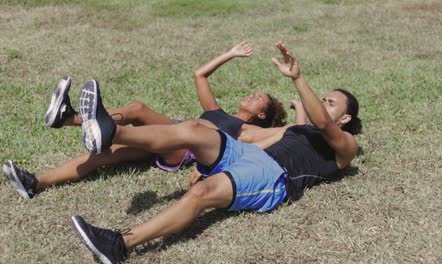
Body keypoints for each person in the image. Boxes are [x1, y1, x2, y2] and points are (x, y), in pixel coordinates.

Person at [69, 41, 362, 263]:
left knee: (201, 194)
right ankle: (112, 132)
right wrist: (212, 160)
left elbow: (322, 122)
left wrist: (298, 79)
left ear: (345, 119)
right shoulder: (301, 130)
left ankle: (119, 244)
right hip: (251, 156)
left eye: (331, 103)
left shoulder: (347, 146)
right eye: (323, 99)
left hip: (273, 176)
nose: (323, 104)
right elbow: (270, 141)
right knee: (195, 129)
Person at [2, 41, 288, 199]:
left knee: (137, 108)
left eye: (258, 98)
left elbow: (259, 148)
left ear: (262, 114)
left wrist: (208, 171)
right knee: (104, 153)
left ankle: (69, 118)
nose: (251, 95)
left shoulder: (245, 130)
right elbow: (199, 74)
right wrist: (231, 53)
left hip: (185, 149)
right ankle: (34, 183)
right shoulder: (217, 111)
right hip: (174, 132)